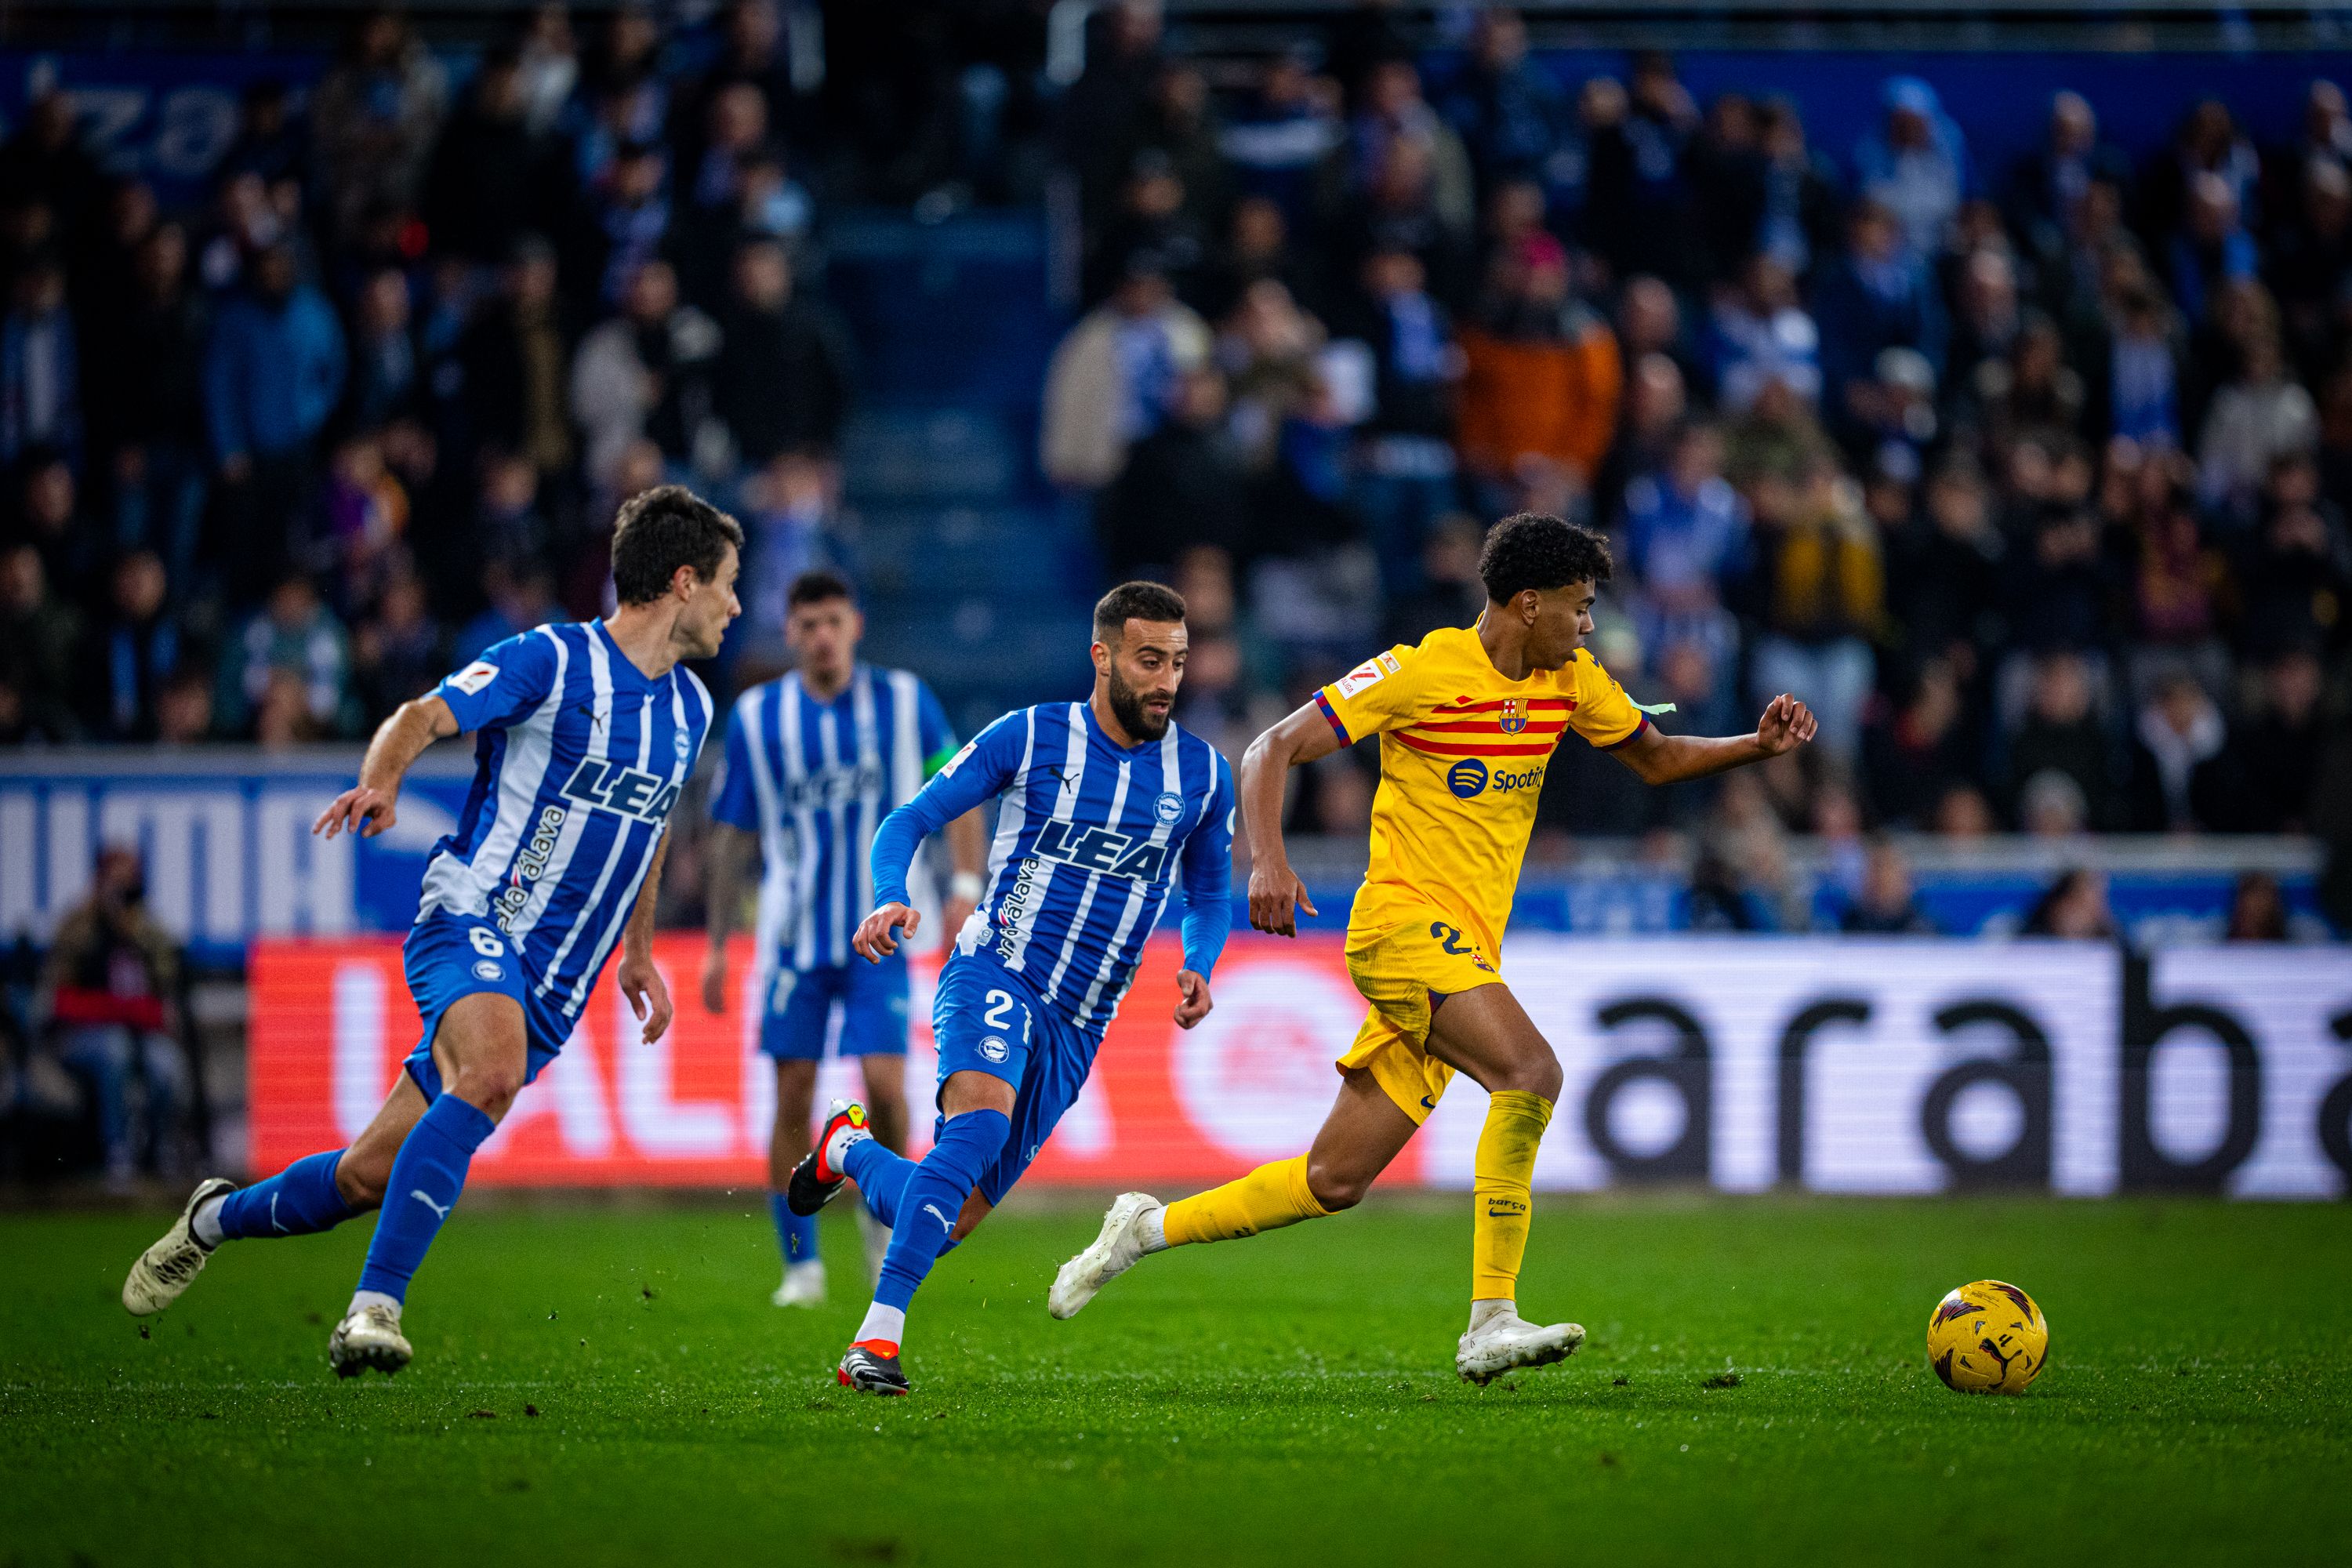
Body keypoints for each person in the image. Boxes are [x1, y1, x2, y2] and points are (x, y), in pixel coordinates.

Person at [1051, 514, 1815, 1385]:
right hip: (1401, 928)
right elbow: (1272, 748)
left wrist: (1758, 745)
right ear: (1529, 603)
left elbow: (1659, 753)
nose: (1590, 623)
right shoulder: (1423, 670)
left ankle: (1141, 1230)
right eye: (1581, 605)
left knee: (1333, 1179)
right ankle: (1491, 1317)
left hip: (1463, 951)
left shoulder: (1571, 680)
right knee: (1531, 1071)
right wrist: (1267, 857)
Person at [119, 487, 742, 1377]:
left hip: (557, 980)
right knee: (489, 1070)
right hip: (471, 912)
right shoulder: (552, 660)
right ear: (683, 581)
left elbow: (654, 825)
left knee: (363, 1177)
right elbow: (421, 715)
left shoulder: (690, 709)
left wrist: (638, 947)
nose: (736, 605)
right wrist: (384, 781)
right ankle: (373, 1308)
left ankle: (212, 1216)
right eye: (727, 584)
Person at [788, 582, 1235, 1396]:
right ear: (1101, 658)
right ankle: (875, 1344)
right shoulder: (1030, 736)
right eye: (1148, 660)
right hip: (995, 970)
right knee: (978, 1130)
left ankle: (845, 1149)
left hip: (1081, 1020)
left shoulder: (1203, 775)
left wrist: (1202, 959)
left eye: (1177, 660)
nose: (1167, 679)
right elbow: (908, 819)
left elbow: (1209, 892)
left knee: (941, 1213)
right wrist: (893, 890)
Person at [699, 571, 985, 1308]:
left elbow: (961, 791)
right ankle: (801, 1264)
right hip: (794, 939)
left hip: (881, 934)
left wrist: (962, 887)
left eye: (833, 621)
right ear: (790, 634)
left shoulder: (904, 701)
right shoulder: (760, 718)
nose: (822, 636)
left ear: (854, 625)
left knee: (887, 1089)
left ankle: (877, 1218)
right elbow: (732, 835)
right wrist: (717, 943)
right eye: (807, 625)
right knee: (791, 1094)